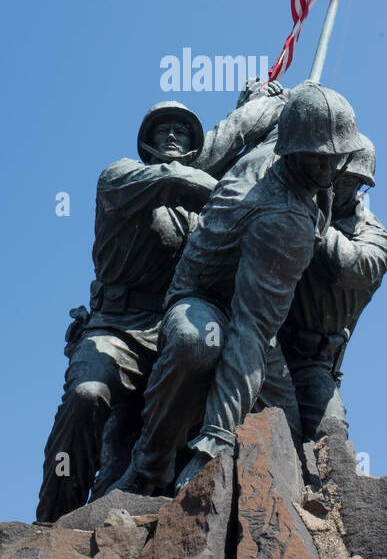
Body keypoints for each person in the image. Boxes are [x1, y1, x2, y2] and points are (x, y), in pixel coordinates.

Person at [36, 85, 288, 520]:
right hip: (114, 327)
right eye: (163, 129)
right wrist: (243, 196)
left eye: (182, 131)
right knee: (86, 395)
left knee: (199, 346)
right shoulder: (120, 177)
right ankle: (54, 516)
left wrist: (263, 109)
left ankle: (152, 471)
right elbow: (177, 179)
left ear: (197, 145)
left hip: (171, 324)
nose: (173, 135)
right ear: (146, 141)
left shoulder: (200, 214)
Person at [112, 81, 362, 496]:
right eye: (319, 158)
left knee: (291, 432)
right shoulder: (284, 220)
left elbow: (257, 332)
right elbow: (249, 333)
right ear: (296, 149)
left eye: (335, 157)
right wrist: (214, 442)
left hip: (258, 312)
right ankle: (149, 468)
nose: (328, 169)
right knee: (198, 344)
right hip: (205, 298)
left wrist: (275, 99)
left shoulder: (290, 148)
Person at [276, 135, 387, 441]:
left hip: (311, 360)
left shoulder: (374, 236)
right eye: (343, 177)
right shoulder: (288, 198)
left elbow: (355, 265)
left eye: (357, 181)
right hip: (266, 339)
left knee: (331, 431)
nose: (347, 186)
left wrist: (312, 221)